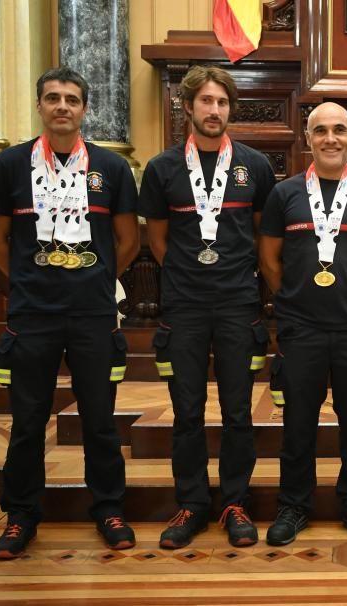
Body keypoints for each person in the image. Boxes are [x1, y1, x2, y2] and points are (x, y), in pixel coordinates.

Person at [0, 67, 140, 559]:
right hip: (34, 314)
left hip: (92, 313)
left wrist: (91, 278)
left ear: (85, 109)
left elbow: (127, 242)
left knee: (99, 419)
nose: (63, 106)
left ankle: (109, 508)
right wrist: (32, 277)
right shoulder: (9, 165)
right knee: (27, 421)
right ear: (40, 106)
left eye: (72, 99)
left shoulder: (110, 169)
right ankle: (20, 515)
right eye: (53, 98)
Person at [139, 65, 275, 549]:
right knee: (186, 411)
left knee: (238, 410)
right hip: (186, 305)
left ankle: (235, 503)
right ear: (188, 107)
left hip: (239, 303)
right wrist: (190, 274)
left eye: (221, 102)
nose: (213, 110)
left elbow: (261, 234)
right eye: (205, 102)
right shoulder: (162, 168)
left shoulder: (255, 166)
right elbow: (156, 239)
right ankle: (192, 504)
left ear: (230, 109)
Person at [259, 102, 347, 546]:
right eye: (321, 131)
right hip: (302, 330)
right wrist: (293, 302)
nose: (331, 138)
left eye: (339, 130)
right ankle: (294, 506)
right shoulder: (286, 194)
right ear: (307, 137)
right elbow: (270, 258)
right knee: (298, 425)